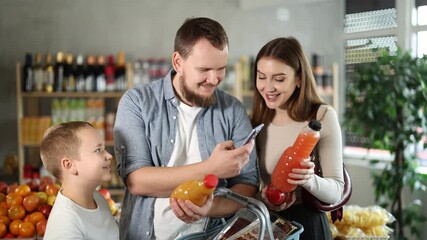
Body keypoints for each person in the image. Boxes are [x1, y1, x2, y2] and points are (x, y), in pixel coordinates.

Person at [114, 17, 259, 240]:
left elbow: (248, 185)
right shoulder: (136, 103)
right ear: (178, 62)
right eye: (204, 69)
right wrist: (212, 168)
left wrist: (210, 208)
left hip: (212, 233)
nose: (214, 79)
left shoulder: (233, 110)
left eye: (221, 68)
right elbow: (137, 181)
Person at [251, 37, 344, 240]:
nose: (268, 87)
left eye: (279, 78)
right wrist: (264, 197)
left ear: (299, 78)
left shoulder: (321, 117)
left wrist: (308, 180)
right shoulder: (257, 119)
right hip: (269, 223)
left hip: (308, 226)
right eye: (261, 77)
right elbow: (252, 184)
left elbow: (336, 191)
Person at [39, 121, 119, 240]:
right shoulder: (65, 224)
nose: (109, 156)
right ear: (69, 165)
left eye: (104, 148)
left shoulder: (98, 199)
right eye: (98, 150)